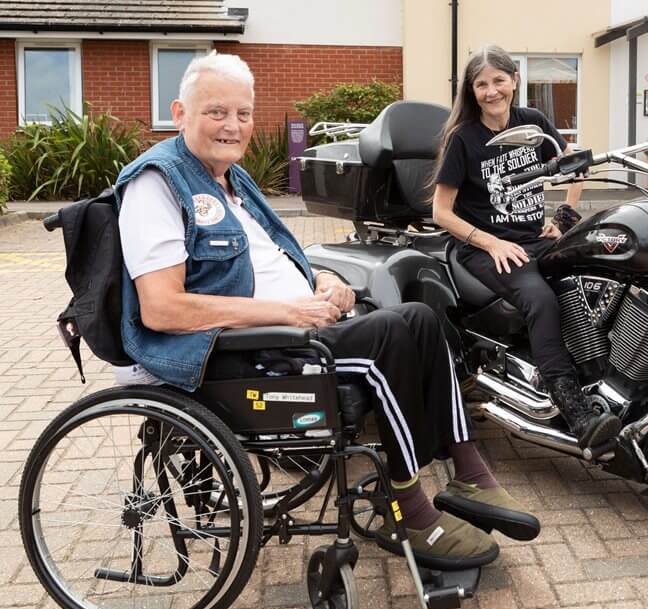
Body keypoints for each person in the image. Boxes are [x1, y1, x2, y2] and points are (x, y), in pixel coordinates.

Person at [113, 51, 539, 570]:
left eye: (243, 114)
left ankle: (470, 472)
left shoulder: (233, 179)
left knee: (424, 321)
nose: (233, 126)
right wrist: (286, 312)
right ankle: (407, 510)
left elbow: (279, 255)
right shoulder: (156, 183)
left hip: (289, 332)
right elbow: (161, 309)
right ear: (180, 114)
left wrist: (327, 280)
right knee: (388, 337)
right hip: (237, 354)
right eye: (216, 112)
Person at [431, 45, 620, 450]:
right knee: (539, 297)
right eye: (481, 84)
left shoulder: (531, 123)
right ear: (471, 91)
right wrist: (490, 242)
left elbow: (575, 166)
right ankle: (574, 408)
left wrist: (565, 220)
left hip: (535, 239)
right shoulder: (464, 139)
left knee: (593, 278)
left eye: (499, 80)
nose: (491, 91)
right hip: (483, 248)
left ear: (514, 81)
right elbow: (441, 212)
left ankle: (613, 375)